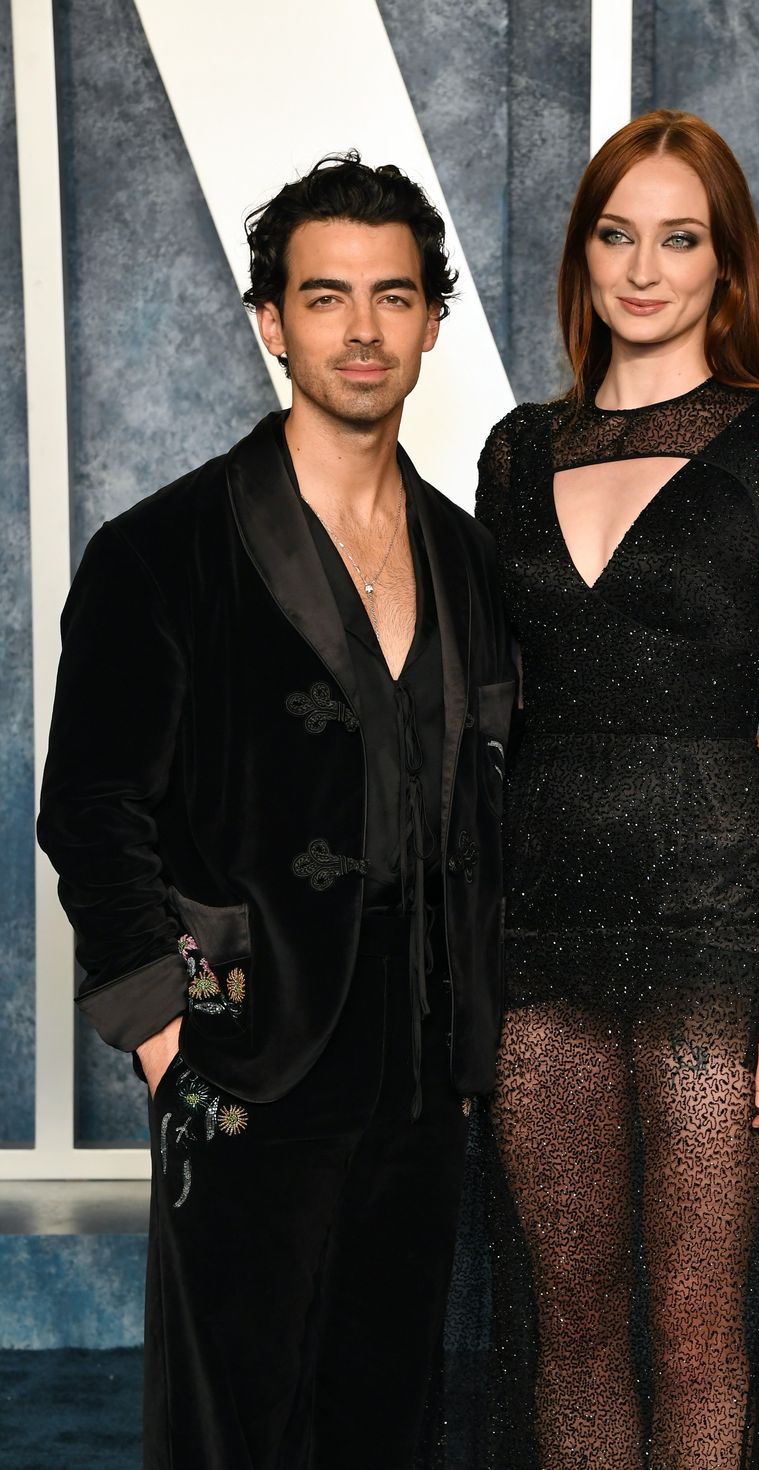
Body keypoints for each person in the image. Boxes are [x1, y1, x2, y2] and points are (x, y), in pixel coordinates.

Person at [36, 153, 519, 1470]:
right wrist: (164, 1041)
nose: (363, 329)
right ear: (271, 322)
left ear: (431, 321)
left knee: (387, 1418)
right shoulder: (158, 551)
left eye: (393, 296)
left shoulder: (468, 557)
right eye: (325, 296)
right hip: (242, 1047)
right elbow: (90, 811)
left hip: (425, 1061)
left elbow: (509, 783)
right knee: (233, 1428)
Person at [443, 111, 759, 1470]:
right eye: (617, 234)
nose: (644, 268)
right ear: (584, 255)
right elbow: (481, 704)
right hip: (538, 925)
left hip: (717, 930)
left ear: (726, 264)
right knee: (572, 1327)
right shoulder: (517, 451)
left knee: (702, 1330)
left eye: (680, 238)